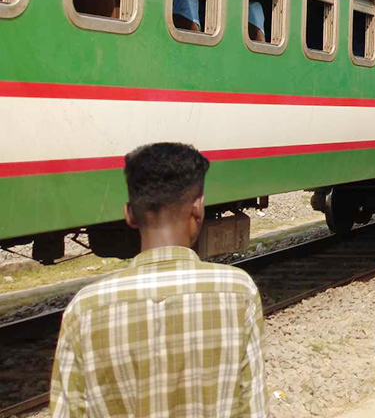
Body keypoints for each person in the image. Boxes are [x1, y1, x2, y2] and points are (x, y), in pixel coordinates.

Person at [50, 143, 267, 418]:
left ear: (129, 213)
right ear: (197, 208)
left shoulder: (84, 310)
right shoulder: (239, 293)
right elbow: (252, 409)